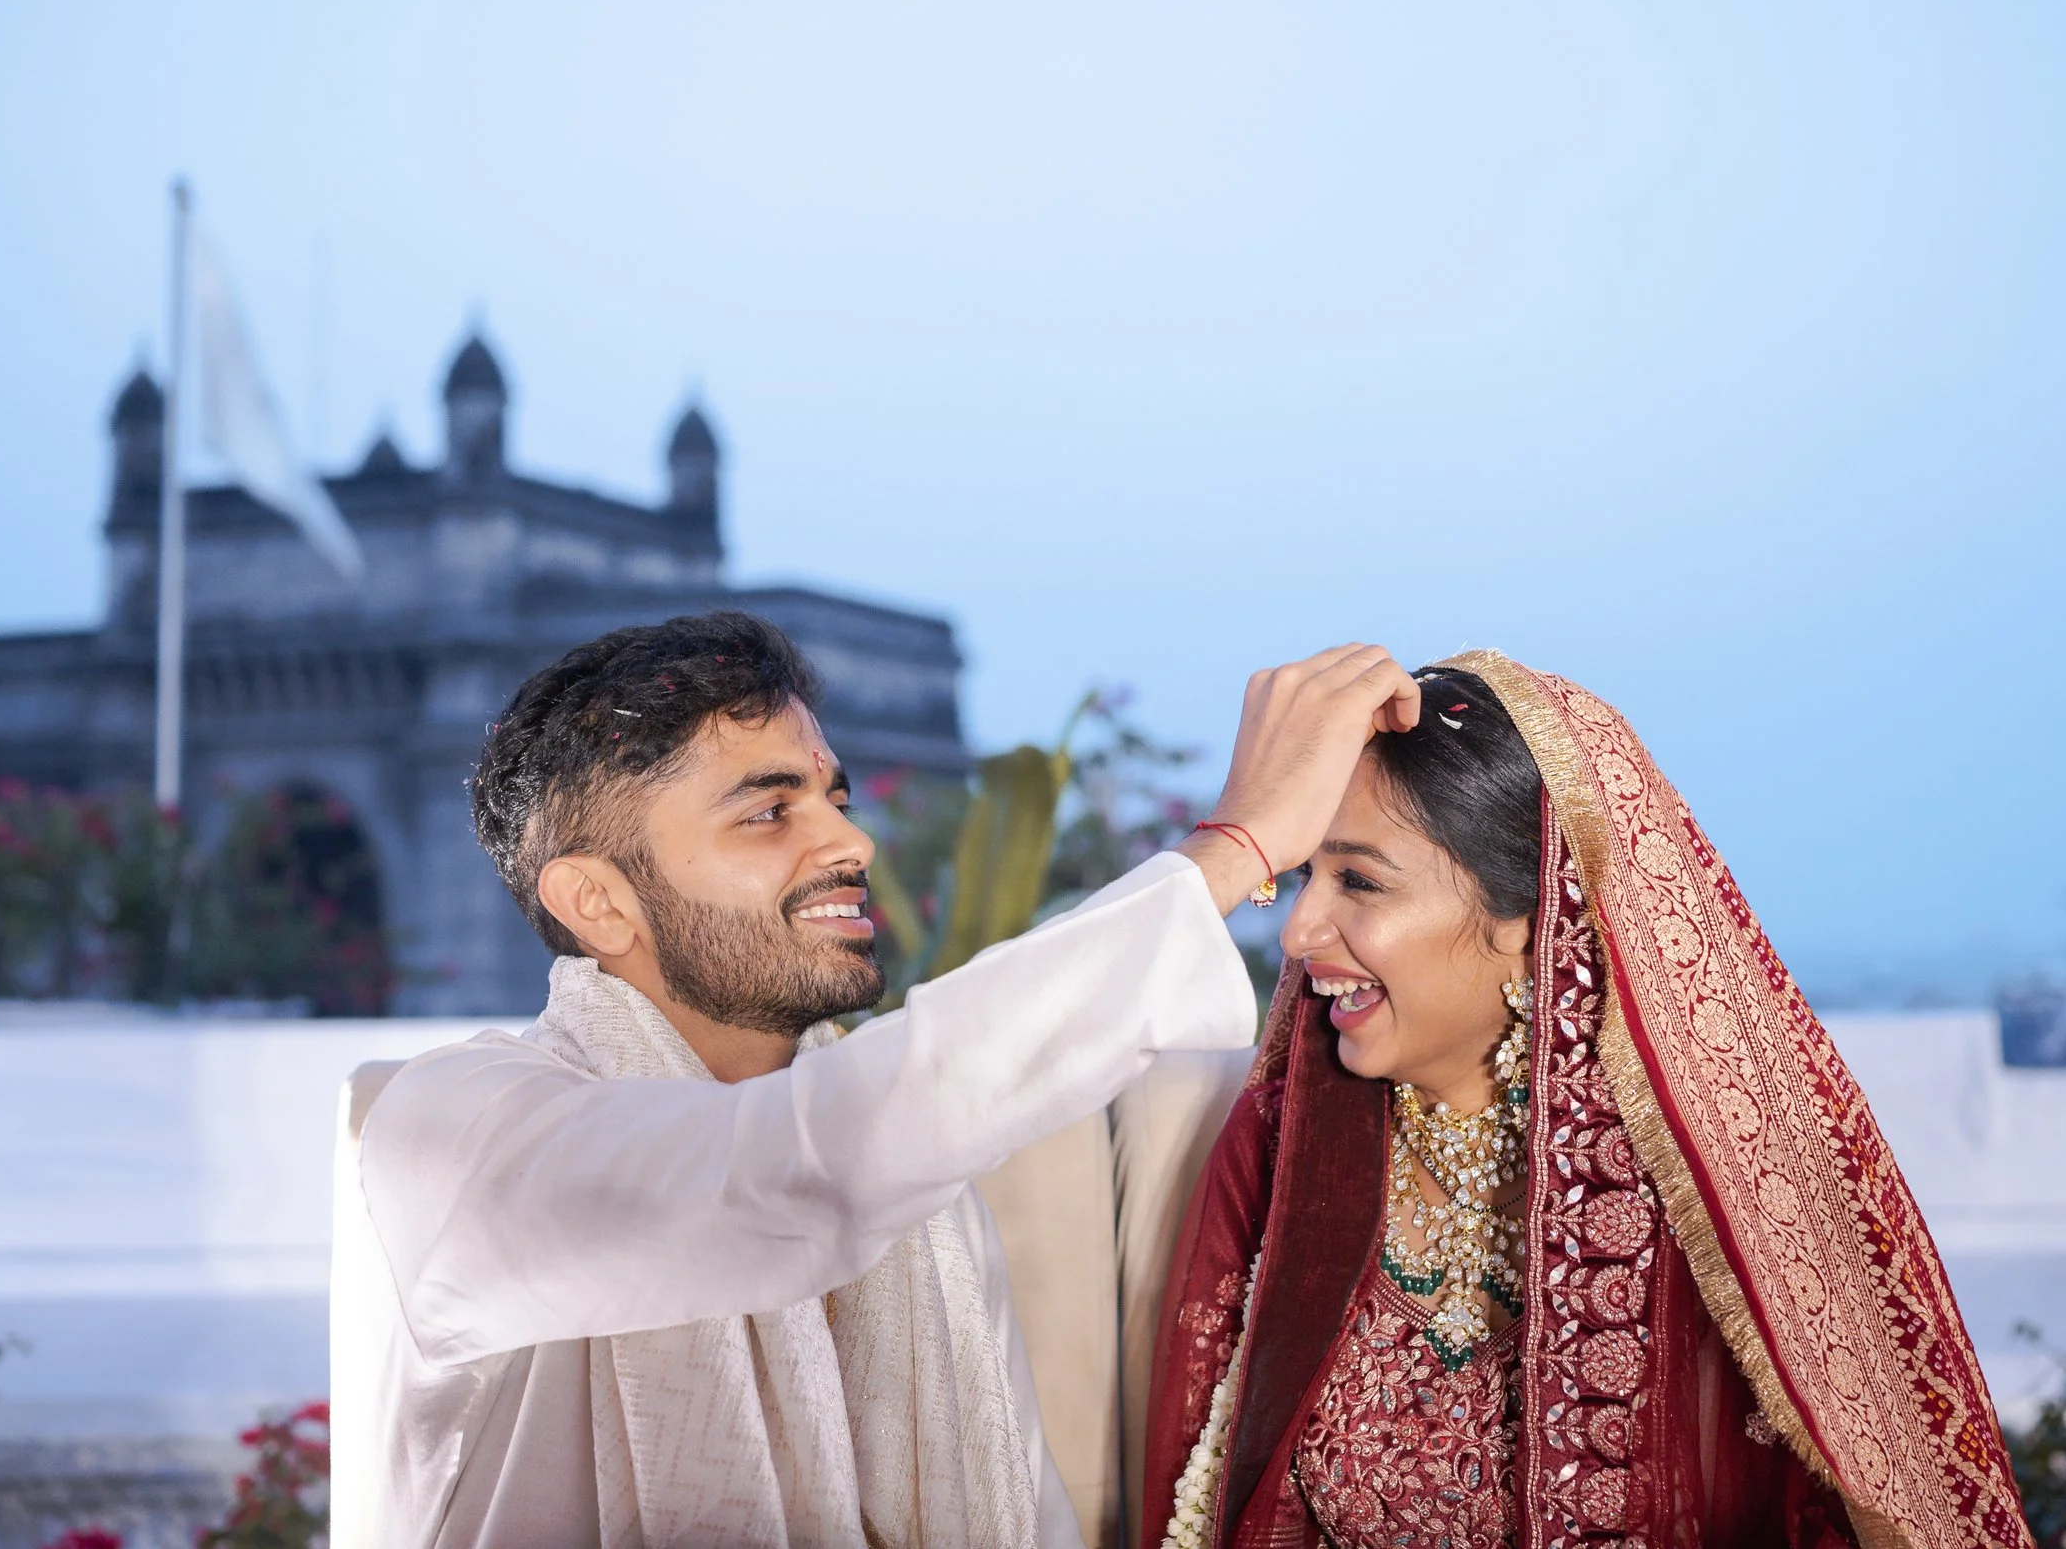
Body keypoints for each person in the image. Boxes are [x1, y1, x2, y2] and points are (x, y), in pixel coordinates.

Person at [353, 611, 1421, 1549]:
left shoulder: (924, 1197)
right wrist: (1235, 849)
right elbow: (791, 1172)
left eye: (834, 797)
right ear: (597, 902)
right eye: (768, 813)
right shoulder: (455, 1134)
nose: (852, 841)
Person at [1141, 651, 2033, 1549]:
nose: (1297, 931)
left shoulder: (1708, 1202)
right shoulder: (1287, 1150)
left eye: (1359, 881)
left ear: (1529, 914)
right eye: (1303, 877)